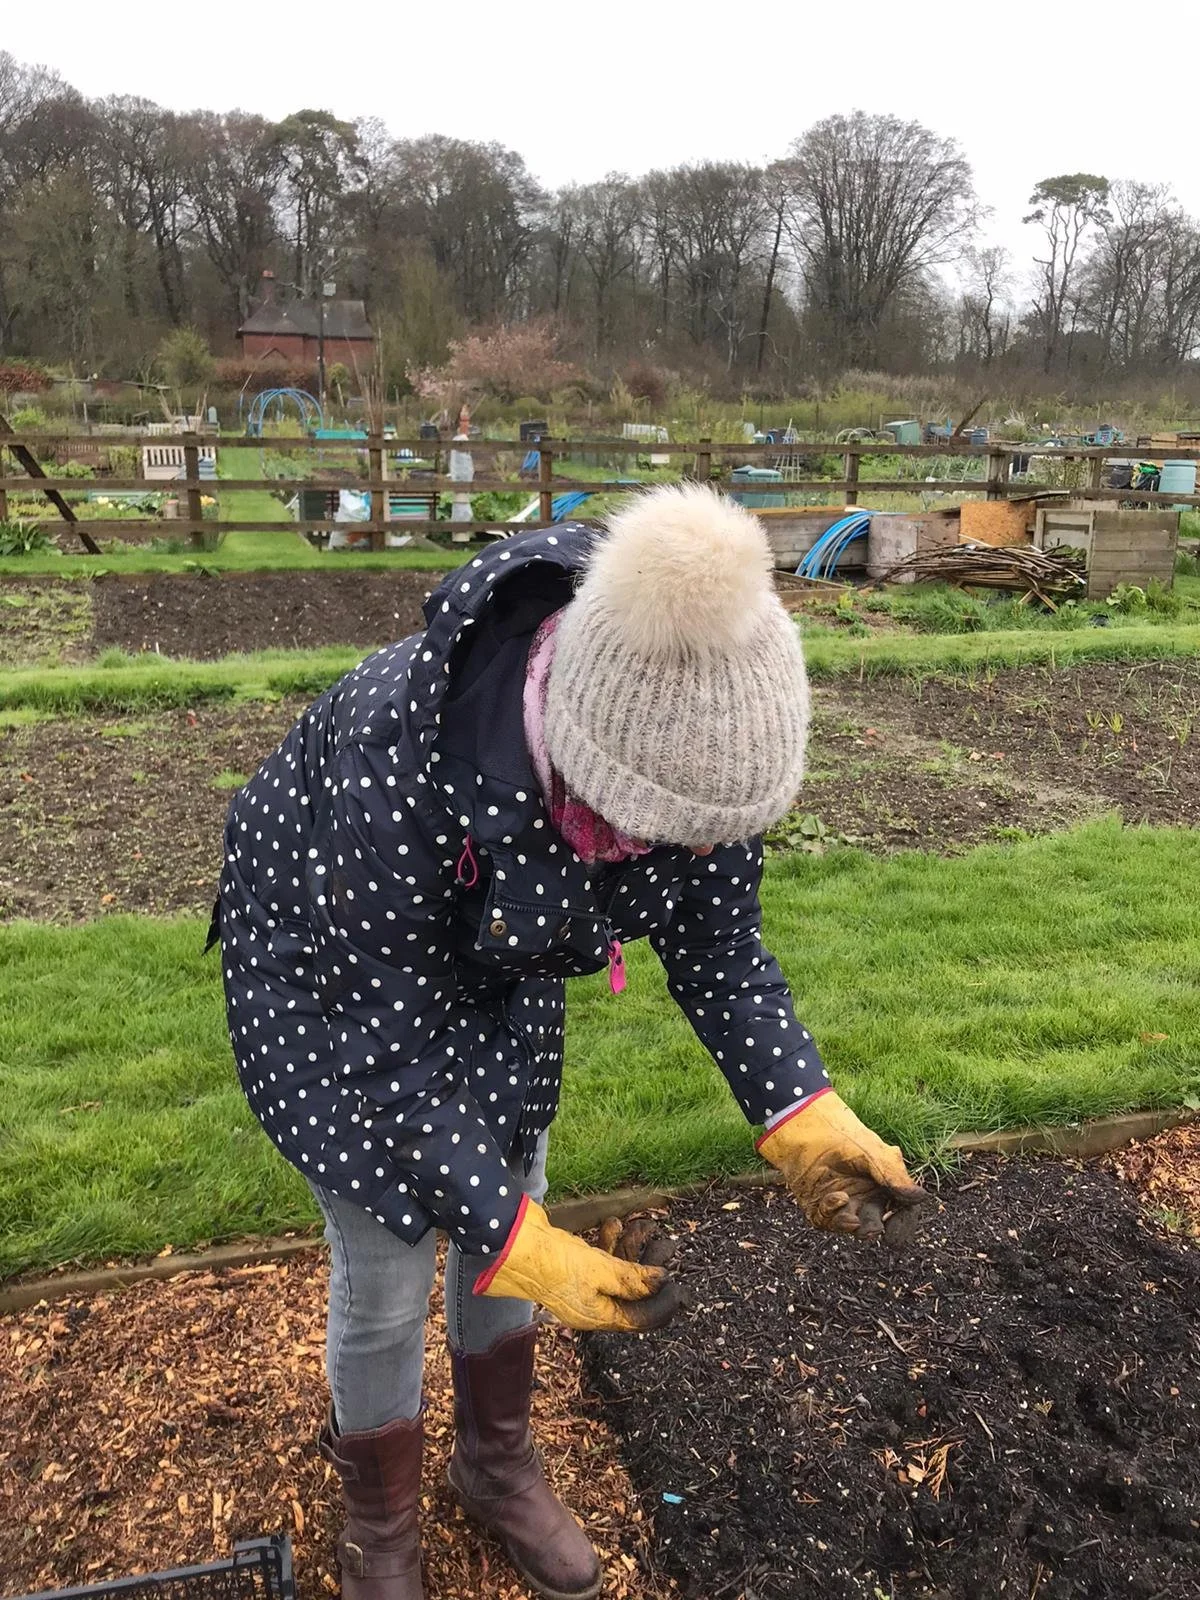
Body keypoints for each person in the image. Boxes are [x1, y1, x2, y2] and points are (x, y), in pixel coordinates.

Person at [215, 484, 926, 1600]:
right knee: (391, 1264)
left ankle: (495, 1461)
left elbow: (719, 946)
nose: (695, 859)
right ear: (600, 773)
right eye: (675, 836)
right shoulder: (394, 754)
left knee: (517, 1187)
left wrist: (800, 1107)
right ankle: (379, 1520)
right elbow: (390, 1067)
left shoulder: (693, 770)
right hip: (329, 972)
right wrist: (516, 1240)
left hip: (501, 951)